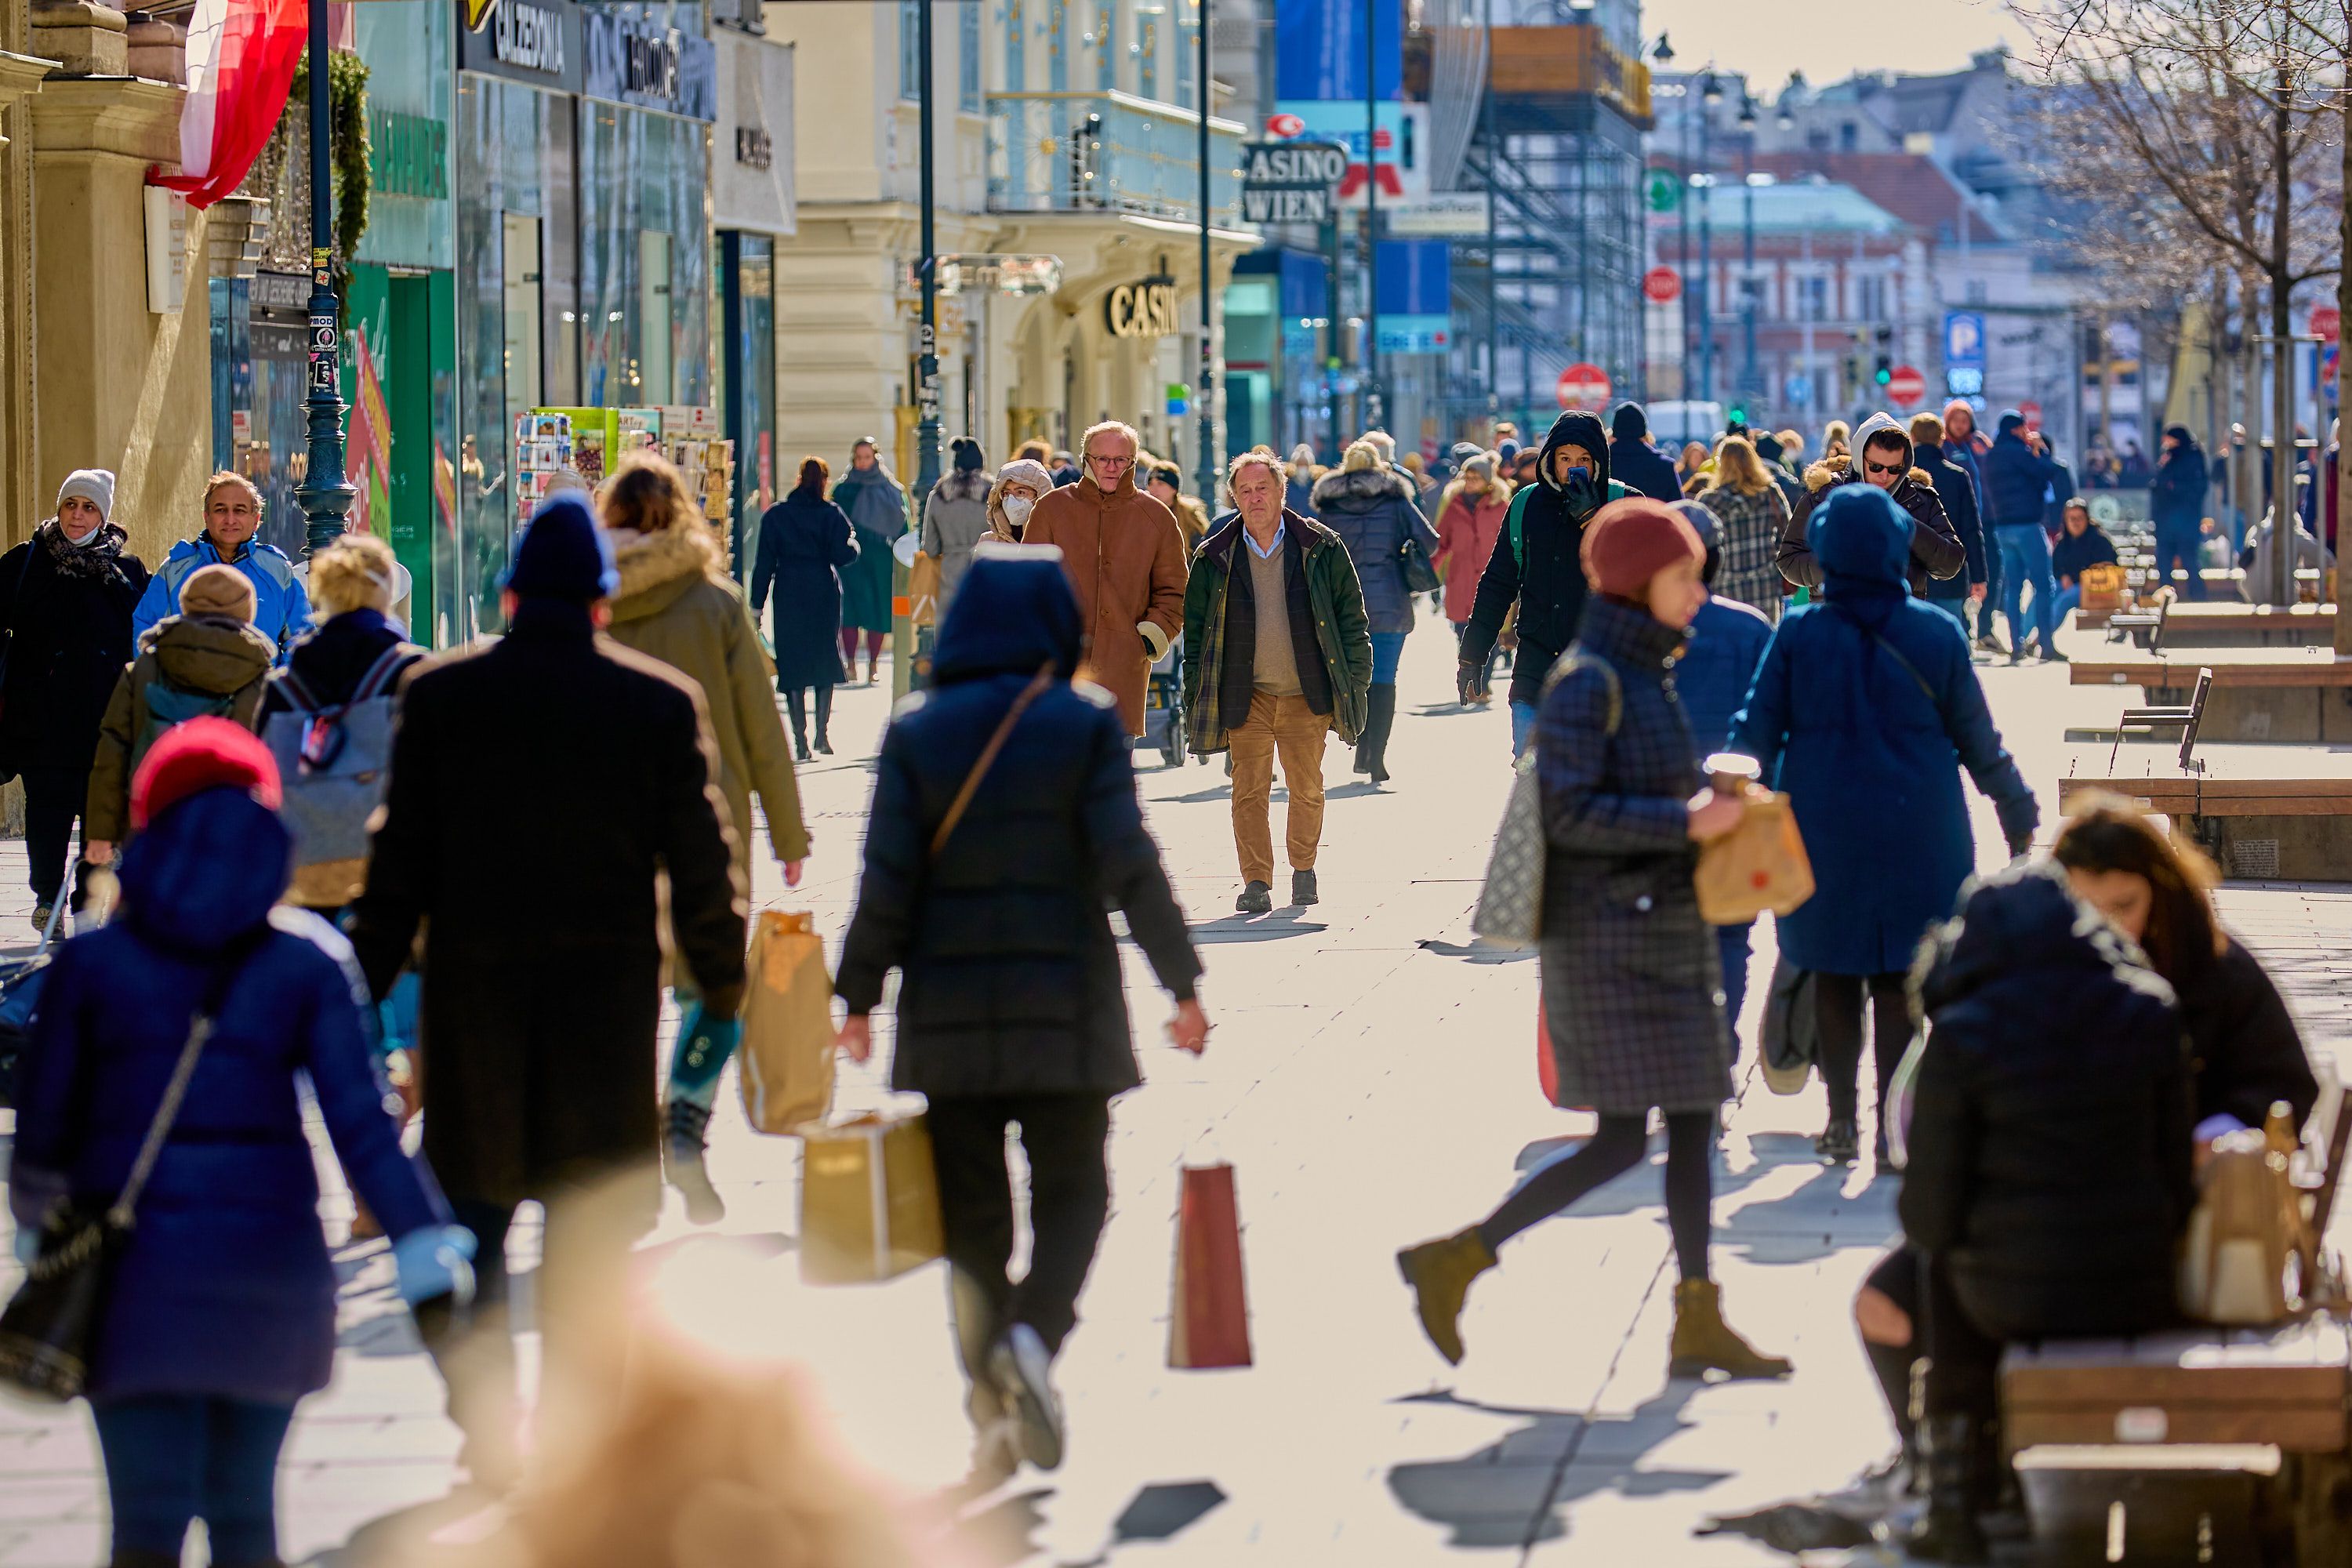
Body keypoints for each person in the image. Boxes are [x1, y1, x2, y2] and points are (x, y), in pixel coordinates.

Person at [347, 494, 747, 1488]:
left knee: (470, 1225)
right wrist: (723, 975)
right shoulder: (655, 702)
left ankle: (486, 1419)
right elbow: (701, 858)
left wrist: (360, 976)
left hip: (473, 1000)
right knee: (591, 1241)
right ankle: (574, 1445)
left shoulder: (443, 697)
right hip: (602, 1008)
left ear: (512, 593)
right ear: (603, 601)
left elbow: (398, 859)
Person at [7, 718, 470, 1568]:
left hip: (125, 1281)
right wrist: (422, 1241)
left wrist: (38, 1229)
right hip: (271, 1274)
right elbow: (361, 1124)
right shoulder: (308, 959)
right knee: (247, 1520)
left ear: (150, 815)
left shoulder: (92, 966)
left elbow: (43, 1127)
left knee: (143, 1526)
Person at [833, 547, 1207, 1484]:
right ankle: (1035, 1338)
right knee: (1076, 1189)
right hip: (1066, 1004)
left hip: (947, 1013)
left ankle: (991, 1395)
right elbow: (1130, 859)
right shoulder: (1082, 724)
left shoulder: (917, 730)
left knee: (971, 1220)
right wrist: (1182, 982)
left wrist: (856, 995)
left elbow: (887, 878)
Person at [1396, 499, 1790, 1381]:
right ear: (1637, 580)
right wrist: (1686, 818)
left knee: (1691, 1117)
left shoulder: (1646, 666)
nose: (1698, 590)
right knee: (1621, 1137)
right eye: (1683, 574)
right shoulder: (1591, 678)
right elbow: (1568, 813)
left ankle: (1697, 1317)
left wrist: (1708, 799)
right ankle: (1456, 1256)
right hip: (1607, 939)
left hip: (1662, 925)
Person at [1849, 797, 2315, 1521]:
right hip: (2048, 1223)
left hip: (2175, 1226)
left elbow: (2287, 1087)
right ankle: (1936, 1459)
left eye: (2123, 905)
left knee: (1959, 1277)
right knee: (1885, 1299)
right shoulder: (2015, 995)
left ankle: (1960, 1482)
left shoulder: (2206, 977)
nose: (2103, 926)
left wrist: (2219, 1132)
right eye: (2083, 905)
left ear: (2163, 901)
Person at [1730, 485, 2038, 1167]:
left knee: (1834, 973)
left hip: (1821, 834)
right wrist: (2017, 811)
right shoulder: (1936, 632)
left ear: (1830, 554)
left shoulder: (1799, 634)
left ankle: (1841, 1123)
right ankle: (1896, 1132)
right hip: (1921, 835)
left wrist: (1719, 797)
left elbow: (1751, 733)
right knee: (1905, 982)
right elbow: (1979, 740)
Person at [1894, 858, 2194, 1560]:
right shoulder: (2148, 1006)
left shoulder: (1962, 1034)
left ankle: (1954, 1504)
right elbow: (2177, 1178)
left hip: (2010, 1302)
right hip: (2141, 1286)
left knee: (1939, 1268)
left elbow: (1928, 1217)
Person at [600, 452, 810, 1224]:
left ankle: (624, 1145)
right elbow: (761, 724)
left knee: (619, 987)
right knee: (713, 986)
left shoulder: (586, 601)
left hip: (604, 826)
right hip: (708, 821)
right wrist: (789, 832)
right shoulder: (717, 604)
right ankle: (685, 1112)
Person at [1185, 452, 1372, 911]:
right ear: (1234, 497)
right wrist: (1194, 690)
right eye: (1244, 491)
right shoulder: (1214, 556)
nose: (1254, 499)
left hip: (1306, 692)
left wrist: (1357, 678)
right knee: (1247, 790)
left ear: (1281, 491)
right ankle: (1256, 882)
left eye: (1262, 488)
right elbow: (1195, 635)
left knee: (1306, 787)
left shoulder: (1321, 547)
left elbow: (1352, 619)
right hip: (1244, 694)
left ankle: (1304, 870)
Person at [0, 470, 150, 931]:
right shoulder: (25, 563)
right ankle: (47, 897)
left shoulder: (126, 572)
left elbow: (143, 641)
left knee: (100, 820)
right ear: (59, 508)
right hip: (40, 719)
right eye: (71, 505)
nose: (77, 516)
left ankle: (87, 904)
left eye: (89, 508)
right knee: (46, 813)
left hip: (105, 721)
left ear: (103, 517)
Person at [254, 532, 428, 908]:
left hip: (303, 863)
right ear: (385, 592)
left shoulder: (284, 686)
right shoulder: (413, 672)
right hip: (391, 861)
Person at [1457, 409, 1632, 757]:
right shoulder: (1525, 504)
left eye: (1584, 458)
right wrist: (1472, 654)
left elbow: (1636, 581)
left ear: (1599, 462)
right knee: (1531, 781)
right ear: (1550, 459)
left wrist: (1590, 521)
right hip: (1536, 669)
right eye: (1565, 458)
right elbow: (1497, 583)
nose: (1573, 466)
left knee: (1588, 786)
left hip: (1602, 671)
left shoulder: (1624, 503)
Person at [84, 564, 275, 870]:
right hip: (231, 825)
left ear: (186, 603)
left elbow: (113, 751)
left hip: (148, 819)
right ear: (247, 611)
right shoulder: (261, 676)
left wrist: (101, 833)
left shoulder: (144, 668)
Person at [1668, 497, 1776, 1024]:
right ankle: (1721, 1041)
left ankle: (1678, 1049)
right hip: (1734, 803)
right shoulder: (1751, 629)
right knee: (1731, 934)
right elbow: (1779, 724)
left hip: (1658, 811)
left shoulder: (1638, 631)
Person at [1018, 420, 1188, 740]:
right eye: (1102, 459)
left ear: (1134, 463)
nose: (1111, 467)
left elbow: (1175, 590)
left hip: (1123, 664)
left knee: (1111, 777)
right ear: (1086, 460)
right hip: (1060, 665)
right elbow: (1028, 582)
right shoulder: (1051, 508)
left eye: (1121, 460)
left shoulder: (1157, 517)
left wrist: (1150, 636)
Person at [1310, 439, 1435, 783]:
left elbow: (1311, 548)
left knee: (1353, 676)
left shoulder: (1328, 504)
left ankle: (1357, 741)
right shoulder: (1396, 499)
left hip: (1342, 605)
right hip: (1390, 601)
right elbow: (1430, 540)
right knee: (1384, 679)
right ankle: (1375, 756)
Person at [1777, 412, 1966, 599]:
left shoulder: (1919, 497)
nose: (1884, 476)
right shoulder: (1825, 494)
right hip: (1837, 617)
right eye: (1876, 467)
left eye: (1895, 469)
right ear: (1860, 459)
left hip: (1898, 618)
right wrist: (1837, 561)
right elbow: (1789, 561)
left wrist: (1906, 527)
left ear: (1906, 464)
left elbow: (1951, 563)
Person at [131, 471, 311, 659]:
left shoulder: (277, 570)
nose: (230, 519)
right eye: (220, 509)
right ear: (206, 516)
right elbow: (146, 633)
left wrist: (276, 684)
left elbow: (302, 639)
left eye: (239, 510)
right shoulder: (174, 570)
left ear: (256, 519)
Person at [750, 458, 859, 760]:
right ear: (824, 480)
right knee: (824, 656)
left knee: (792, 661)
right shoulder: (831, 514)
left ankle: (800, 743)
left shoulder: (777, 515)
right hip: (823, 590)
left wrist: (756, 607)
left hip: (788, 591)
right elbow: (843, 555)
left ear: (799, 478)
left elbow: (763, 565)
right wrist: (854, 546)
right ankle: (822, 735)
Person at [1980, 411, 2067, 661]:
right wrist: (2040, 448)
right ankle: (2046, 646)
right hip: (2028, 526)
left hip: (2002, 528)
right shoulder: (2021, 452)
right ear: (2017, 429)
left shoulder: (1992, 456)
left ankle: (2016, 646)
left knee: (2013, 587)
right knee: (2044, 586)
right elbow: (2048, 471)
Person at [1435, 452, 1511, 693]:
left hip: (1493, 582)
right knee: (1462, 633)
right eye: (1467, 477)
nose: (1470, 482)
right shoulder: (1454, 506)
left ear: (1488, 480)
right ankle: (1470, 681)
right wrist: (1426, 574)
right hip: (1461, 579)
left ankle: (1483, 684)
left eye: (1476, 478)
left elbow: (1512, 544)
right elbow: (1441, 542)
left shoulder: (1501, 507)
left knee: (1492, 634)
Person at [832, 437, 906, 684]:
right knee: (849, 610)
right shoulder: (842, 490)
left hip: (880, 558)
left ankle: (873, 664)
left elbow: (901, 525)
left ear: (875, 458)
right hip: (850, 559)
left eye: (867, 457)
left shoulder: (891, 489)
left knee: (878, 610)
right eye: (859, 458)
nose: (863, 462)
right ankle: (850, 663)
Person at [1695, 435, 1792, 619]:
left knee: (1730, 643)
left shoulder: (1709, 501)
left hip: (1724, 588)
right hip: (1764, 585)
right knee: (1765, 642)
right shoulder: (1770, 493)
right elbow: (1787, 535)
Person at [1909, 412, 1990, 636]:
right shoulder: (1958, 476)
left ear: (1912, 437)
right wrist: (1978, 577)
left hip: (1910, 574)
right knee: (1950, 638)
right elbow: (1971, 530)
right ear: (1941, 437)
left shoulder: (1902, 476)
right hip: (1950, 572)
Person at [1940, 401, 2003, 655]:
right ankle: (1966, 631)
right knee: (1963, 575)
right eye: (1956, 419)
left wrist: (1989, 451)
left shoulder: (1976, 444)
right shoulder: (1943, 447)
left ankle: (1985, 627)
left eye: (1965, 420)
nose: (1960, 424)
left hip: (1984, 518)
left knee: (1993, 571)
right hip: (1957, 520)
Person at [921, 437, 996, 616]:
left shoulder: (939, 495)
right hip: (987, 571)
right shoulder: (993, 493)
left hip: (950, 573)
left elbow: (930, 547)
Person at [2049, 498, 2119, 622]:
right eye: (2072, 519)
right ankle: (2023, 635)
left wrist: (2082, 578)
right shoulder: (2063, 542)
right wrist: (2063, 576)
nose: (2076, 523)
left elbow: (2110, 566)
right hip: (2066, 584)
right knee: (2045, 593)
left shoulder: (2099, 540)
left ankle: (2044, 636)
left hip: (2093, 588)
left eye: (2079, 518)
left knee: (2064, 600)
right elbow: (2054, 566)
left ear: (2087, 519)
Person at [1606, 401, 1683, 503]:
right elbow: (1678, 509)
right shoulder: (1665, 466)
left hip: (1609, 517)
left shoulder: (1602, 461)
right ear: (1644, 431)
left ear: (1614, 431)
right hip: (1655, 518)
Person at [1145, 460, 1210, 553]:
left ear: (1174, 489)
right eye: (1150, 483)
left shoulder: (1189, 516)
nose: (1154, 488)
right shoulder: (1143, 514)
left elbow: (1202, 551)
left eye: (1160, 483)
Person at [986, 456, 1054, 545]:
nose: (1011, 500)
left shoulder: (1056, 539)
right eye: (1006, 493)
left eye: (1021, 492)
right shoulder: (988, 541)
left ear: (1040, 495)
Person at [1285, 444, 1320, 517]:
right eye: (1299, 464)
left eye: (1305, 464)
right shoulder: (1287, 486)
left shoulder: (1317, 485)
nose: (1302, 468)